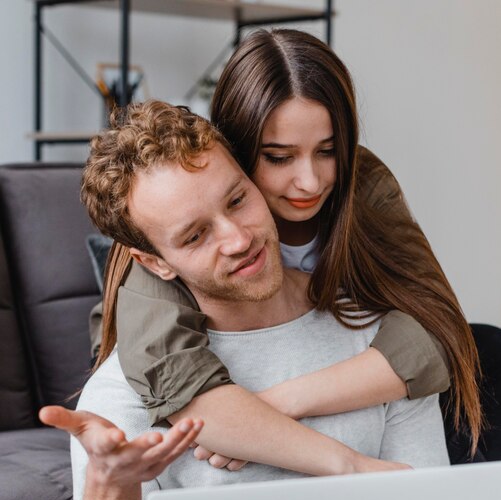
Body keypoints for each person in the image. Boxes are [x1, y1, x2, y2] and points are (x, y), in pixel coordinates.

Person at [44, 101, 449, 500]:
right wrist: (109, 491)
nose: (238, 239)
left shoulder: (374, 339)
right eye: (195, 236)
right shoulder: (124, 395)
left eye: (237, 200)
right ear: (154, 262)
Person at [91, 29, 481, 467]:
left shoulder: (363, 183)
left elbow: (439, 330)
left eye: (328, 150)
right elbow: (168, 373)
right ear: (233, 152)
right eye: (279, 157)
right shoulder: (167, 243)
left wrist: (274, 405)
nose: (310, 182)